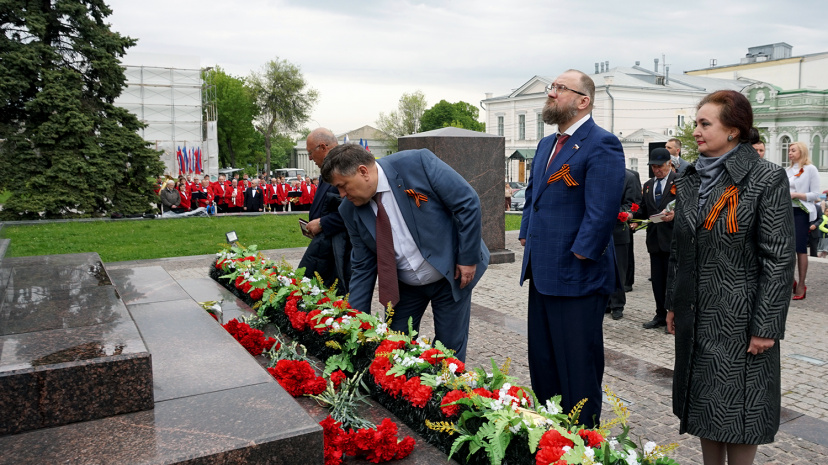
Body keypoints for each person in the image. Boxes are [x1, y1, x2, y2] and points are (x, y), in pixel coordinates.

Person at [665, 90, 794, 465]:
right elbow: (681, 249)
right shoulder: (689, 175)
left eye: (706, 124)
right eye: (696, 124)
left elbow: (779, 258)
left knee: (740, 411)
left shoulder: (765, 177)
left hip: (741, 318)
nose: (697, 131)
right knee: (704, 405)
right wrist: (675, 302)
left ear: (735, 130)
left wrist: (766, 326)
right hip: (696, 313)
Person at [518, 69, 625, 428]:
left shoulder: (602, 143)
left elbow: (603, 209)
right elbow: (535, 196)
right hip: (542, 270)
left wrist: (580, 253)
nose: (552, 93)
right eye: (552, 87)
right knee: (544, 363)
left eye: (560, 88)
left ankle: (582, 439)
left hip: (577, 275)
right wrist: (527, 234)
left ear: (583, 101)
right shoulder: (548, 144)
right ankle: (551, 433)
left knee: (577, 366)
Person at [322, 144, 490, 362]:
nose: (342, 194)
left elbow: (467, 202)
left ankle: (446, 393)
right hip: (403, 286)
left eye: (343, 186)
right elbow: (363, 265)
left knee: (448, 352)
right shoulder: (349, 210)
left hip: (450, 274)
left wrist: (468, 258)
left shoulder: (418, 164)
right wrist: (355, 322)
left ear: (363, 171)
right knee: (393, 350)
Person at [298, 128, 352, 293]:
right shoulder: (328, 169)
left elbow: (354, 211)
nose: (310, 158)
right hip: (324, 247)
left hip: (340, 250)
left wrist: (323, 222)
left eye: (310, 152)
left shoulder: (345, 168)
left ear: (322, 147)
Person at [633, 148, 677, 330]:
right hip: (654, 241)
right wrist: (632, 217)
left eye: (659, 166)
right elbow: (644, 209)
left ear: (669, 164)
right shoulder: (649, 184)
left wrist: (675, 214)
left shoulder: (680, 181)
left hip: (673, 239)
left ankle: (673, 317)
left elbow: (689, 207)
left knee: (672, 281)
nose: (656, 170)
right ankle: (660, 314)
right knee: (658, 282)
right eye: (653, 167)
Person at [786, 141, 821, 300]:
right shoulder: (787, 171)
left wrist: (797, 195)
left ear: (802, 151)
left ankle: (801, 284)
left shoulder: (810, 169)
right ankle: (790, 281)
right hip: (787, 211)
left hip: (802, 212)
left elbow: (816, 194)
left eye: (793, 150)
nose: (790, 153)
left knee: (800, 249)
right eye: (789, 150)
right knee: (786, 249)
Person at [607, 168, 642, 320]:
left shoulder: (629, 177)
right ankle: (606, 302)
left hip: (618, 231)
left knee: (618, 270)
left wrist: (610, 212)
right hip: (599, 232)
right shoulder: (600, 173)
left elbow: (632, 204)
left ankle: (617, 305)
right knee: (603, 269)